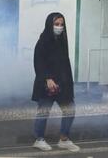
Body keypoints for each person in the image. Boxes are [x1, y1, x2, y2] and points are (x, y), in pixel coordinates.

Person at [31, 12, 79, 152]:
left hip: (62, 84)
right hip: (47, 84)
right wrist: (47, 78)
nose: (59, 27)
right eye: (56, 24)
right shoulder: (43, 41)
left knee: (70, 109)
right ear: (49, 25)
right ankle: (39, 139)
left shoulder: (62, 40)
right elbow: (38, 62)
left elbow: (64, 63)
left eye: (62, 24)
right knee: (43, 112)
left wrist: (68, 83)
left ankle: (64, 139)